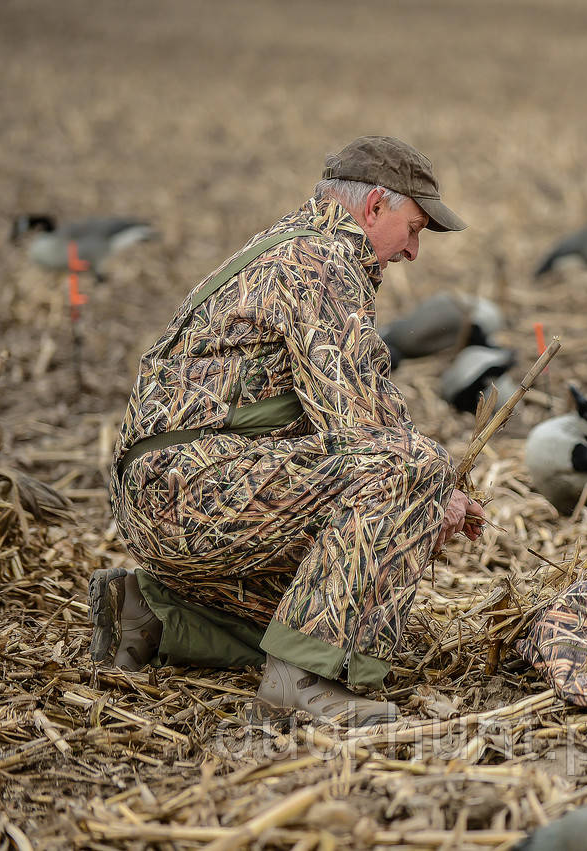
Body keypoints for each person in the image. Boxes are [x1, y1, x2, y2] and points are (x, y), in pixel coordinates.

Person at [92, 136, 485, 725]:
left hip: (168, 494)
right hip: (195, 492)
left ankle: (152, 613)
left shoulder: (289, 246)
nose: (412, 251)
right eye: (415, 227)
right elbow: (363, 427)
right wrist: (434, 494)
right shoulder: (323, 264)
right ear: (375, 207)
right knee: (412, 470)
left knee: (326, 604)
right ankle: (302, 682)